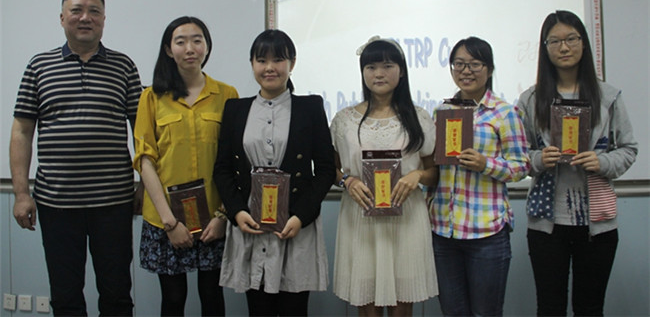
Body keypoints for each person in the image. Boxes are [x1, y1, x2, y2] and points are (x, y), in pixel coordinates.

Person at [9, 0, 142, 316]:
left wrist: (144, 184)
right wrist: (22, 194)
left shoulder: (124, 66)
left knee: (117, 294)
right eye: (77, 10)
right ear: (62, 18)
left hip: (114, 202)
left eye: (94, 11)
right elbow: (22, 131)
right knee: (65, 296)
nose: (86, 18)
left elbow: (142, 131)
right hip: (57, 203)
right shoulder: (39, 66)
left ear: (104, 19)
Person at [518, 10, 638, 317]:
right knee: (549, 308)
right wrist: (539, 159)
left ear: (583, 43)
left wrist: (602, 161)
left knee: (590, 308)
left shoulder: (608, 96)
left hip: (597, 223)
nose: (564, 47)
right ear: (545, 48)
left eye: (571, 38)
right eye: (555, 41)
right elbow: (517, 156)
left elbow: (628, 149)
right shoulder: (530, 100)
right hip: (546, 223)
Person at [214, 29, 335, 316]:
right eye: (261, 60)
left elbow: (326, 170)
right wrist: (237, 212)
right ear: (252, 64)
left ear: (292, 63)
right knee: (258, 310)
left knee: (295, 310)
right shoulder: (235, 109)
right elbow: (222, 169)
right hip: (251, 226)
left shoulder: (310, 107)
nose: (270, 67)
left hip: (295, 228)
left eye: (278, 60)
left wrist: (300, 216)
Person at [132, 16, 238, 316]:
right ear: (169, 49)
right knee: (173, 299)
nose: (189, 48)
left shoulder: (226, 95)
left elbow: (235, 160)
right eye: (180, 42)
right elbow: (145, 160)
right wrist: (170, 223)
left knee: (212, 296)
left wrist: (223, 216)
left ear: (207, 46)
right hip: (165, 218)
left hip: (214, 218)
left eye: (197, 40)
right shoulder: (151, 97)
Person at [331, 37, 438, 316]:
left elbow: (434, 173)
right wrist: (347, 181)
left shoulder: (419, 117)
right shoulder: (344, 120)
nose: (379, 74)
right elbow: (331, 169)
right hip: (360, 219)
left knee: (403, 302)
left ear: (401, 71)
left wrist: (417, 175)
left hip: (407, 219)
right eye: (371, 67)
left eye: (387, 66)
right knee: (366, 302)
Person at [428, 36, 530, 317]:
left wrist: (486, 164)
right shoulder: (442, 111)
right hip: (444, 229)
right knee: (452, 312)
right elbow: (435, 168)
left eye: (475, 64)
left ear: (490, 69)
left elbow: (521, 166)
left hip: (486, 231)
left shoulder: (505, 113)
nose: (466, 71)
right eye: (459, 64)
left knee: (486, 313)